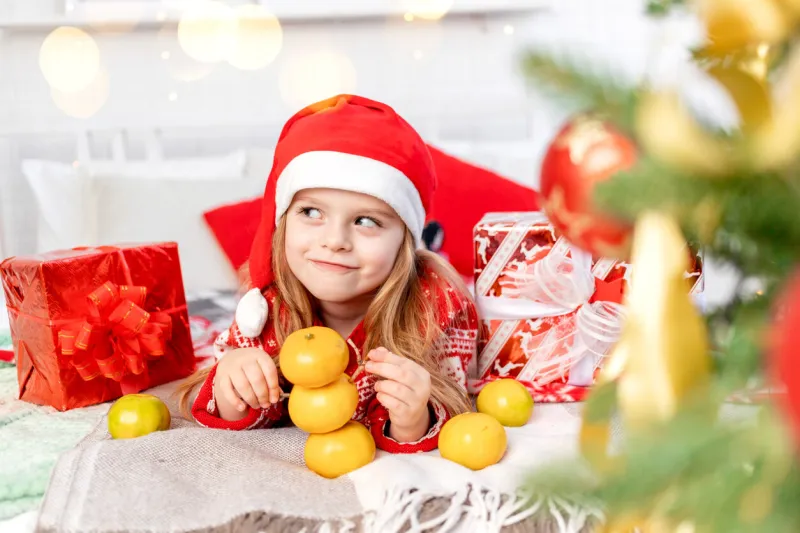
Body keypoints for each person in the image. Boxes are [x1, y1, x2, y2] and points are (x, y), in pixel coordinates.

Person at [177, 94, 478, 453]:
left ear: (405, 240)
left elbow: (456, 401)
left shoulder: (436, 305)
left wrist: (413, 418)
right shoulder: (268, 309)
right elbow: (242, 413)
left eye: (366, 221)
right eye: (311, 212)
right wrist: (235, 386)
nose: (335, 241)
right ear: (282, 222)